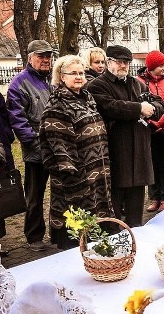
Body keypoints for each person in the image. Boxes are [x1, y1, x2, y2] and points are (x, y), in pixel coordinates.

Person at [40, 55, 112, 249]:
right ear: (61, 77)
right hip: (75, 179)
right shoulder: (58, 105)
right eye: (73, 73)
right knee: (75, 231)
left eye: (81, 72)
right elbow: (60, 148)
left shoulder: (87, 99)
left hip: (96, 172)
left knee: (93, 230)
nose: (79, 76)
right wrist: (74, 177)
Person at [88, 45, 163, 227]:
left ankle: (136, 236)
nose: (123, 66)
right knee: (114, 202)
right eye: (119, 62)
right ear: (109, 62)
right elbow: (110, 106)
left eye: (127, 62)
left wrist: (151, 109)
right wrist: (139, 108)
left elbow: (158, 103)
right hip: (116, 150)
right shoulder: (97, 85)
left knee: (136, 205)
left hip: (139, 150)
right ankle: (114, 238)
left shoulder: (137, 83)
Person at [7, 40, 56, 250]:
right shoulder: (19, 83)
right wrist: (37, 144)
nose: (46, 60)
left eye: (48, 56)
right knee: (35, 195)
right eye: (41, 56)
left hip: (57, 148)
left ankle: (59, 233)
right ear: (30, 57)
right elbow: (18, 120)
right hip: (36, 150)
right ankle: (34, 236)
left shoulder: (53, 80)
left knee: (60, 192)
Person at [138, 50, 164, 212]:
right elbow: (140, 103)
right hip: (147, 129)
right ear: (152, 67)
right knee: (151, 164)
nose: (163, 68)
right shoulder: (139, 81)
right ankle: (154, 197)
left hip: (163, 129)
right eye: (160, 65)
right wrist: (150, 123)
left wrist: (158, 123)